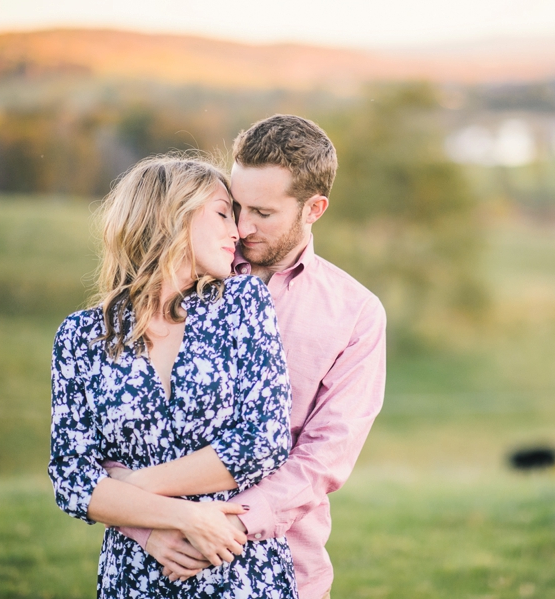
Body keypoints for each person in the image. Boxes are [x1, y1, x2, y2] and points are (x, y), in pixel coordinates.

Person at [112, 115, 387, 599]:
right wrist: (154, 526)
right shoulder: (189, 270)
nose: (241, 226)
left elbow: (322, 457)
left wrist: (222, 529)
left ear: (314, 208)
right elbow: (117, 430)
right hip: (157, 560)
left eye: (262, 212)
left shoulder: (355, 314)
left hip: (283, 568)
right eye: (235, 206)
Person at [48, 155, 298, 598]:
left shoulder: (242, 304)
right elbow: (71, 478)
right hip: (137, 574)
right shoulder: (82, 335)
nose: (237, 232)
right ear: (173, 217)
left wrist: (134, 488)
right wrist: (172, 521)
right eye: (223, 213)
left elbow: (263, 441)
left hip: (237, 569)